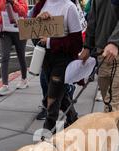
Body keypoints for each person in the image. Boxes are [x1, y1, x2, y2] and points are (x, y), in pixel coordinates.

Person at [80, 0, 119, 144]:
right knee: (108, 100)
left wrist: (116, 42)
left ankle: (109, 142)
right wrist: (87, 46)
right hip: (102, 52)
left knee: (112, 103)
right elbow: (93, 18)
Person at [32, 0, 83, 134]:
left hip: (63, 59)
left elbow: (77, 43)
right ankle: (74, 119)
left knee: (52, 96)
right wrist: (37, 21)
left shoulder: (69, 7)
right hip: (46, 57)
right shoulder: (41, 4)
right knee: (59, 92)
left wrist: (50, 41)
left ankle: (47, 132)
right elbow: (32, 32)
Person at [0, 0, 29, 96]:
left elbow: (23, 12)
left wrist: (13, 2)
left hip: (19, 30)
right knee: (4, 57)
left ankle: (24, 79)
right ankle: (5, 85)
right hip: (5, 31)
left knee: (21, 55)